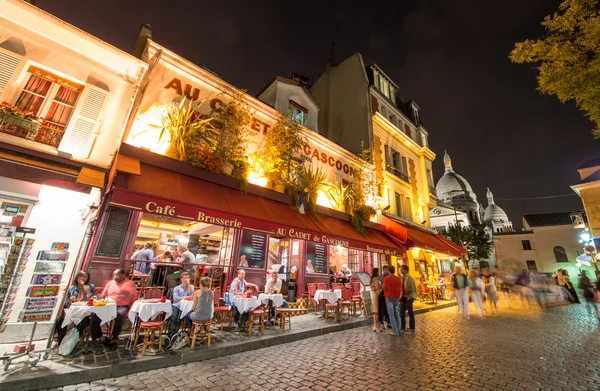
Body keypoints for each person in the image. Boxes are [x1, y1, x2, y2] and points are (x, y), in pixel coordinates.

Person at [90, 269, 137, 350]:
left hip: (122, 306)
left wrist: (131, 304)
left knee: (120, 316)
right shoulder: (110, 283)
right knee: (94, 316)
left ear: (123, 275)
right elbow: (103, 295)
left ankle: (114, 338)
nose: (115, 277)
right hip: (109, 305)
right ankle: (100, 337)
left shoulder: (129, 283)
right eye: (114, 275)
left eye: (117, 275)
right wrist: (98, 297)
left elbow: (133, 295)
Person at [56, 271, 95, 345]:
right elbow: (66, 304)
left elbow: (92, 301)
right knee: (61, 321)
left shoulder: (90, 287)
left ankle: (73, 341)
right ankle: (61, 342)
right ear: (77, 277)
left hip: (84, 311)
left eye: (85, 277)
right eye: (81, 277)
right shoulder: (72, 289)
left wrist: (88, 293)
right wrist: (70, 300)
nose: (83, 278)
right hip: (72, 310)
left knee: (83, 322)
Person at [167, 271, 194, 339]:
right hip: (177, 305)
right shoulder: (177, 288)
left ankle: (175, 335)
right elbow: (176, 299)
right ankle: (170, 334)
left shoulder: (191, 287)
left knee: (179, 319)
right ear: (181, 279)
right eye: (185, 278)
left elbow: (192, 296)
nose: (187, 279)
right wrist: (185, 297)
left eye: (188, 278)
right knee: (174, 317)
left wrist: (189, 285)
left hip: (185, 306)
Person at [382, 264, 402, 336]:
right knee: (396, 313)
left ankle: (395, 331)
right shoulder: (398, 278)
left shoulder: (387, 278)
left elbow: (384, 288)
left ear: (389, 271)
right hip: (396, 297)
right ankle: (399, 328)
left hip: (389, 297)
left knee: (391, 314)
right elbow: (400, 288)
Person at [399, 265, 417, 332]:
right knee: (402, 312)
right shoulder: (403, 278)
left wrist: (407, 294)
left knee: (410, 312)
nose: (400, 271)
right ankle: (402, 327)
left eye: (402, 269)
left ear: (405, 270)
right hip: (403, 297)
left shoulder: (409, 278)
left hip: (408, 297)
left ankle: (412, 327)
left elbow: (411, 289)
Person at [378, 265, 390, 330]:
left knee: (388, 309)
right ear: (383, 270)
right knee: (382, 309)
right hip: (382, 294)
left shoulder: (390, 276)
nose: (385, 271)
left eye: (386, 270)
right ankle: (382, 323)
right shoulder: (380, 277)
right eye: (384, 270)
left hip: (388, 294)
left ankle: (388, 322)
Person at [370, 268, 381, 333]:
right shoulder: (376, 278)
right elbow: (376, 287)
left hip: (372, 294)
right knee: (376, 311)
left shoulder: (372, 279)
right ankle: (376, 326)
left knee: (374, 312)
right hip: (376, 295)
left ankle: (375, 326)